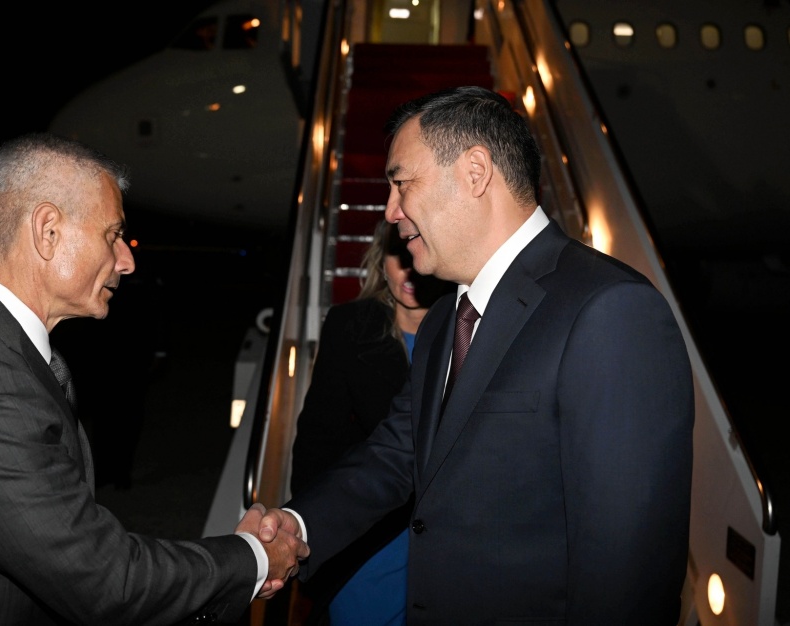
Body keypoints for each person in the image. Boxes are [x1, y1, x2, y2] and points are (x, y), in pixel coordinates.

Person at [261, 86, 694, 624]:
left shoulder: (611, 310)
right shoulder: (447, 317)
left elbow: (628, 566)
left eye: (401, 183)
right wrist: (295, 528)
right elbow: (396, 455)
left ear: (475, 172)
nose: (391, 211)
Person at [0, 132, 307, 625]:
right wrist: (254, 558)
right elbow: (105, 581)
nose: (127, 260)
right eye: (112, 235)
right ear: (47, 231)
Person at [289, 219, 450, 625]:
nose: (409, 272)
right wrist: (309, 527)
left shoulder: (465, 330)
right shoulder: (350, 325)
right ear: (381, 262)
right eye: (398, 257)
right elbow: (317, 436)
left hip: (446, 532)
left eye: (416, 254)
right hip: (370, 525)